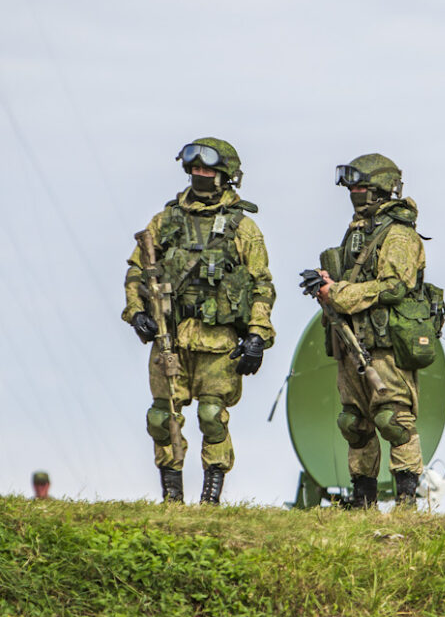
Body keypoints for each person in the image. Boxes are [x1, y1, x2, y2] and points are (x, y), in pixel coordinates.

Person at [123, 137, 274, 505]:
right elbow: (136, 270)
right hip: (169, 336)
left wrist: (257, 335)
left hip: (217, 340)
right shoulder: (164, 221)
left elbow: (261, 286)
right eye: (194, 167)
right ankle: (172, 497)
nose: (199, 173)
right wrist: (136, 312)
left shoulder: (243, 228)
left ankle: (211, 498)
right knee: (162, 417)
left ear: (225, 176)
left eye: (207, 169)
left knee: (211, 415)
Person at [311, 154, 429, 510]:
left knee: (393, 420)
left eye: (361, 186)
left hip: (386, 345)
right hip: (352, 342)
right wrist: (327, 284)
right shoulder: (357, 232)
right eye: (352, 187)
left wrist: (341, 294)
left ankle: (407, 501)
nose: (355, 193)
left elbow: (394, 286)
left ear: (380, 189)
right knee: (354, 422)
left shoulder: (398, 235)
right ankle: (363, 501)